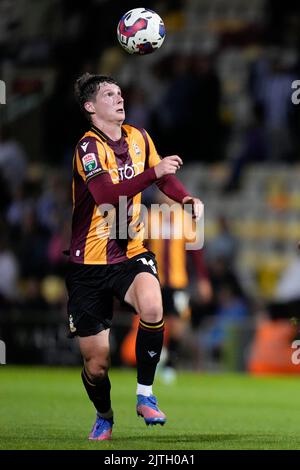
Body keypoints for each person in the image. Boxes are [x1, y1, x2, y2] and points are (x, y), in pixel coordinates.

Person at [65, 73, 203, 441]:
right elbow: (108, 197)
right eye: (109, 95)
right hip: (88, 264)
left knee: (154, 308)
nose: (119, 99)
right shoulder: (87, 148)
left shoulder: (140, 137)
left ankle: (145, 395)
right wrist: (153, 172)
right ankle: (104, 414)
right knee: (97, 363)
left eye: (121, 93)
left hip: (130, 252)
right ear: (91, 108)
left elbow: (163, 179)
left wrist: (185, 198)